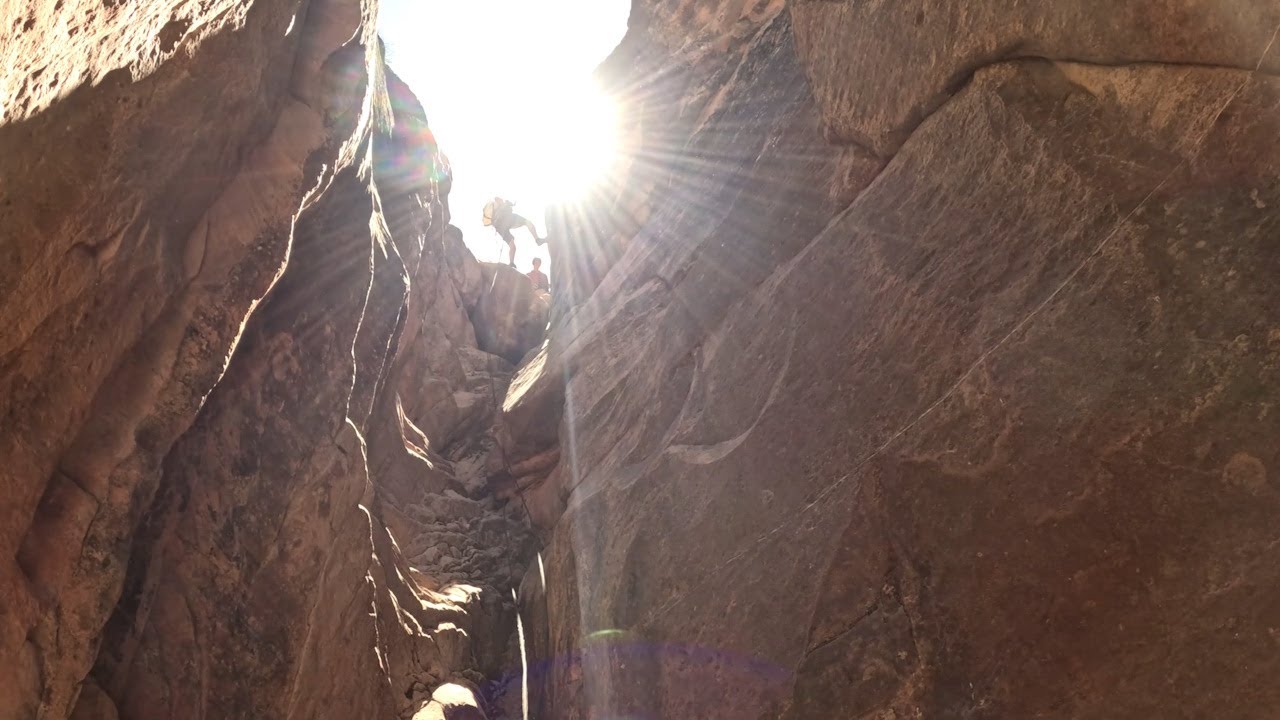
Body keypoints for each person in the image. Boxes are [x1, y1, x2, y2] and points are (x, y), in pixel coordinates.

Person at [482, 197, 544, 267]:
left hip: (509, 220)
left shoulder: (501, 206)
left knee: (528, 223)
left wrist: (509, 204)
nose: (501, 200)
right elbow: (496, 214)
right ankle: (511, 262)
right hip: (503, 226)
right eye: (500, 200)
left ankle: (537, 240)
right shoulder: (495, 206)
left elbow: (506, 206)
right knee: (513, 245)